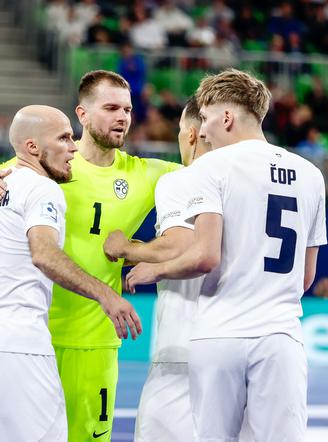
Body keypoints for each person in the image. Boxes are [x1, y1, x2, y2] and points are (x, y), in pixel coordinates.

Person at [0, 70, 181, 441]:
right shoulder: (45, 169)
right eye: (111, 108)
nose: (122, 117)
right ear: (82, 114)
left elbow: (210, 179)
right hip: (35, 334)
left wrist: (139, 252)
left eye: (127, 109)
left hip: (92, 342)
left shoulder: (146, 173)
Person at [125, 69, 327, 441]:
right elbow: (305, 277)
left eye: (205, 118)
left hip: (219, 333)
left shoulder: (210, 167)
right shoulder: (311, 174)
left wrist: (153, 269)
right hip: (281, 335)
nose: (201, 130)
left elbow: (205, 256)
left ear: (227, 117)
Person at [103, 96, 252, 442]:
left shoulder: (185, 179)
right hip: (240, 348)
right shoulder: (249, 184)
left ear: (192, 135)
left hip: (184, 349)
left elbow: (181, 244)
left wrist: (127, 249)